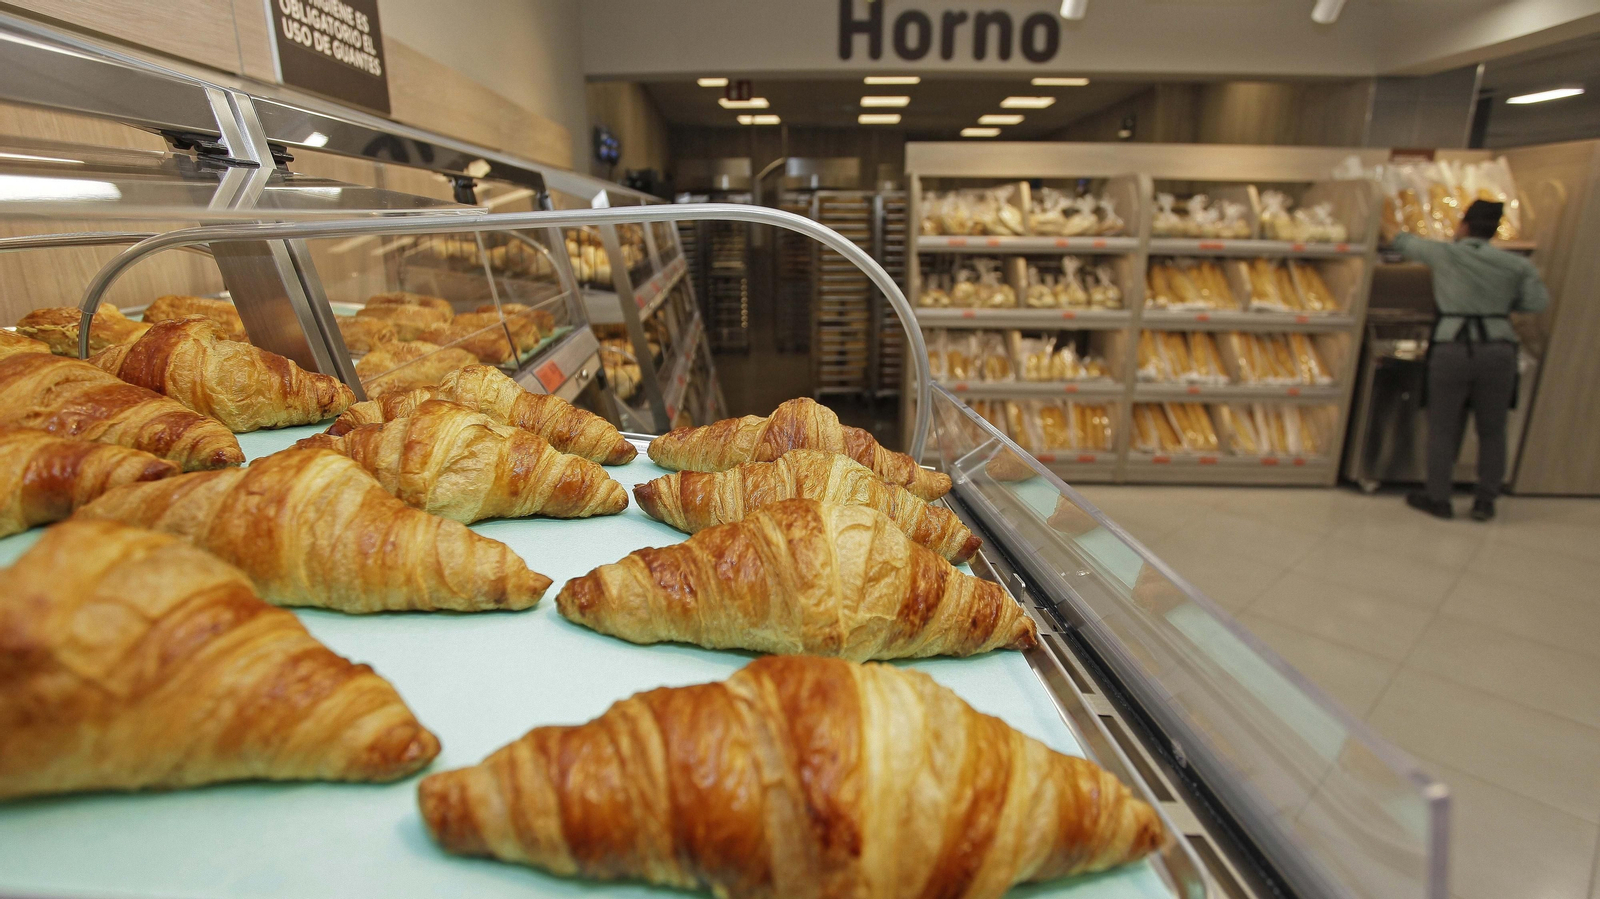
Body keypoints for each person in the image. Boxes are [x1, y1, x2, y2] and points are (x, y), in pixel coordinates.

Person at [1393, 200, 1549, 521]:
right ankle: (1485, 500)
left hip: (1453, 346)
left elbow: (1401, 242)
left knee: (1443, 426)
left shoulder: (1446, 254)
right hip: (1498, 348)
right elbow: (1537, 302)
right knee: (1493, 429)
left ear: (1464, 225)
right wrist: (1500, 302)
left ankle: (1439, 497)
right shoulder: (1516, 265)